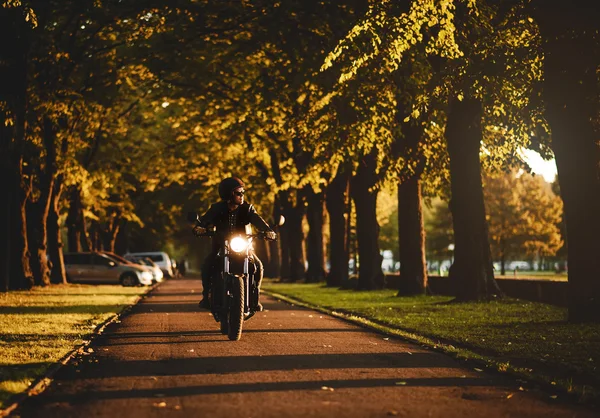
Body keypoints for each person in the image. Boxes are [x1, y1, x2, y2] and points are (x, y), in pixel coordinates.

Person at [192, 177, 276, 311]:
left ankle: (255, 299)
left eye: (243, 192)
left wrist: (268, 230)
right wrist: (199, 227)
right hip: (221, 247)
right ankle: (206, 297)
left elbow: (257, 219)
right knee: (207, 264)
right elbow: (205, 219)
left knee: (258, 266)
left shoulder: (247, 208)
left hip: (244, 247)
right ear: (228, 194)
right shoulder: (216, 208)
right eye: (238, 193)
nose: (242, 195)